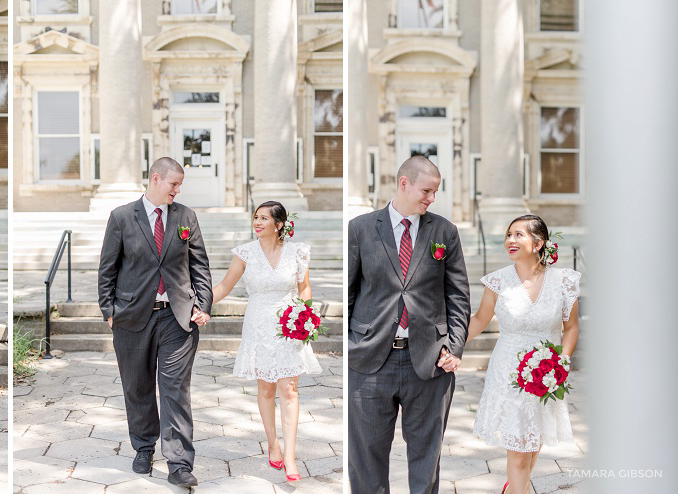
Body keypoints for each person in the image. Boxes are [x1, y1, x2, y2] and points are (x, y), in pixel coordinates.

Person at [347, 155, 470, 493]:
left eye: (435, 193)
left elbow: (458, 295)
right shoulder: (359, 228)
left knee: (426, 459)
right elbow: (349, 292)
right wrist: (349, 344)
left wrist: (454, 346)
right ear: (405, 183)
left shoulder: (444, 231)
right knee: (366, 460)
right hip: (370, 361)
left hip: (430, 362)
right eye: (427, 191)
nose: (431, 199)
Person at [97, 157, 213, 488]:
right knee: (138, 386)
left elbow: (199, 266)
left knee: (176, 390)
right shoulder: (121, 217)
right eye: (174, 183)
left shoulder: (186, 216)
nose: (178, 190)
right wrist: (109, 311)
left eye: (181, 185)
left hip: (178, 318)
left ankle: (179, 462)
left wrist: (203, 304)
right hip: (132, 318)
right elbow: (108, 268)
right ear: (156, 178)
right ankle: (144, 448)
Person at [466, 215, 580, 494]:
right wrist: (446, 344)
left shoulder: (564, 281)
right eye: (508, 235)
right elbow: (479, 320)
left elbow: (572, 327)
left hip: (547, 374)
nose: (510, 241)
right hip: (508, 373)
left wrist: (561, 364)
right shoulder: (497, 281)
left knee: (531, 447)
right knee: (517, 452)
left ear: (538, 243)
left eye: (518, 235)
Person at [210, 200, 321, 482]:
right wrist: (198, 303)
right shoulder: (245, 253)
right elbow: (224, 286)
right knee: (266, 388)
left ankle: (291, 457)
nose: (257, 222)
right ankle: (273, 443)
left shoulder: (297, 252)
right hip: (258, 325)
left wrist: (304, 316)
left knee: (290, 389)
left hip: (288, 324)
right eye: (255, 218)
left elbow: (304, 286)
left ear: (279, 224)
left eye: (263, 218)